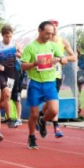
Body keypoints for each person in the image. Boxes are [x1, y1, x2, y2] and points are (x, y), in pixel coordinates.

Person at [20, 21, 68, 149]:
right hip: (35, 83)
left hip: (50, 82)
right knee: (34, 114)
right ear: (39, 30)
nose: (49, 36)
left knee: (53, 110)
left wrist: (60, 59)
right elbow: (23, 66)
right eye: (47, 33)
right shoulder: (31, 47)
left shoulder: (53, 45)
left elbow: (64, 59)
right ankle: (31, 136)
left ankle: (43, 121)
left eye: (51, 34)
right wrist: (34, 63)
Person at [43, 19, 77, 137]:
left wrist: (63, 59)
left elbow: (74, 57)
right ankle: (46, 119)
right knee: (50, 103)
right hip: (43, 76)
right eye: (53, 27)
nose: (55, 29)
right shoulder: (43, 42)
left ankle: (55, 126)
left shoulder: (63, 41)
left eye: (56, 27)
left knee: (54, 101)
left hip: (56, 76)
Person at [0, 25, 23, 127]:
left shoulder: (15, 44)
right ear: (2, 35)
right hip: (1, 73)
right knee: (7, 94)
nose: (8, 39)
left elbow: (22, 54)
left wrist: (20, 54)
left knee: (4, 98)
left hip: (11, 74)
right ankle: (10, 119)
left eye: (10, 36)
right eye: (6, 36)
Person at [76, 49, 84, 116]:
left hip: (80, 78)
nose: (75, 54)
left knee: (78, 94)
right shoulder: (70, 59)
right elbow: (66, 69)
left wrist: (82, 72)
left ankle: (77, 107)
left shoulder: (81, 60)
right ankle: (78, 108)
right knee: (76, 94)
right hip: (72, 79)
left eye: (77, 52)